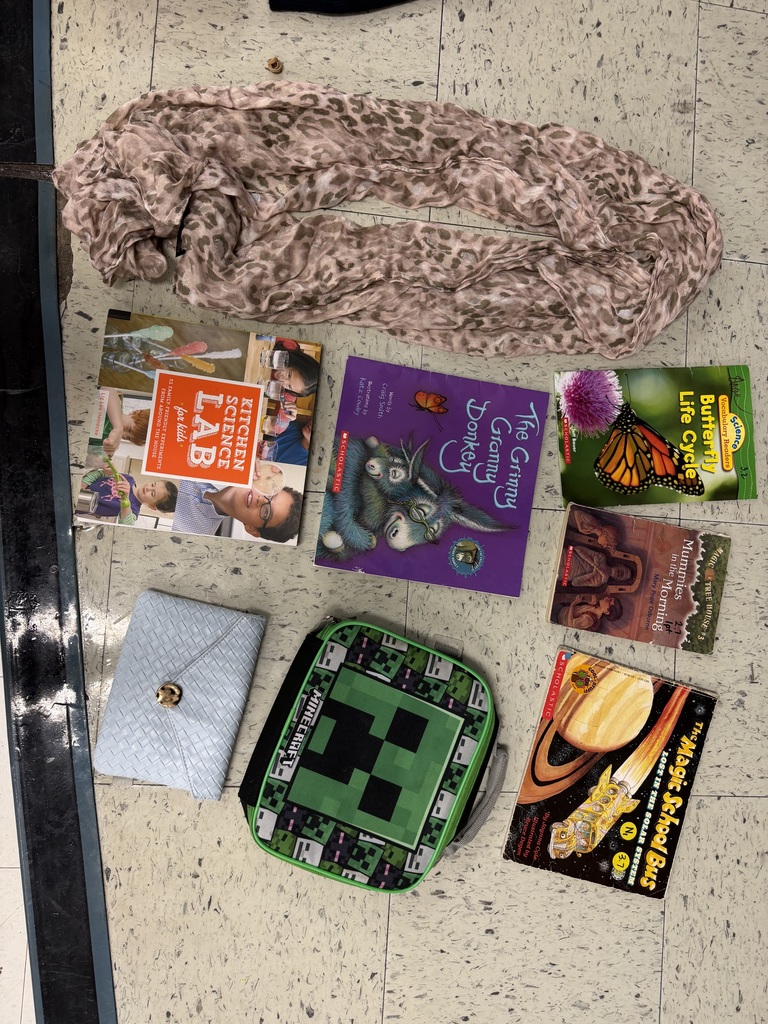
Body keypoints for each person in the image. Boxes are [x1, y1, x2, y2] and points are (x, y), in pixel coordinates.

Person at [172, 479, 303, 543]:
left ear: (252, 529)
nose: (261, 499)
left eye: (266, 512)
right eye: (270, 493)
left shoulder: (190, 536)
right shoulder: (227, 451)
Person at [80, 469, 178, 525]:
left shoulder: (133, 510)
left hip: (76, 506)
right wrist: (82, 485)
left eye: (152, 494)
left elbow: (126, 524)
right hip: (76, 486)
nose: (148, 488)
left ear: (152, 506)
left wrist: (125, 499)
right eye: (152, 484)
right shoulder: (128, 479)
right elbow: (99, 473)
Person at [565, 545, 633, 589]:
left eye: (621, 576)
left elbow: (575, 583)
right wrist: (595, 565)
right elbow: (578, 548)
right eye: (622, 571)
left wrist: (593, 573)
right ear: (619, 565)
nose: (620, 573)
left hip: (566, 573)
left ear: (616, 579)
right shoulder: (602, 558)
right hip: (567, 557)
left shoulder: (599, 582)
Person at [557, 594, 623, 632]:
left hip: (558, 618)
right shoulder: (595, 607)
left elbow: (570, 624)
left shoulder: (589, 620)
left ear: (607, 611)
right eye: (609, 598)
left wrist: (573, 604)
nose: (606, 598)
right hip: (561, 609)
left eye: (609, 601)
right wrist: (589, 603)